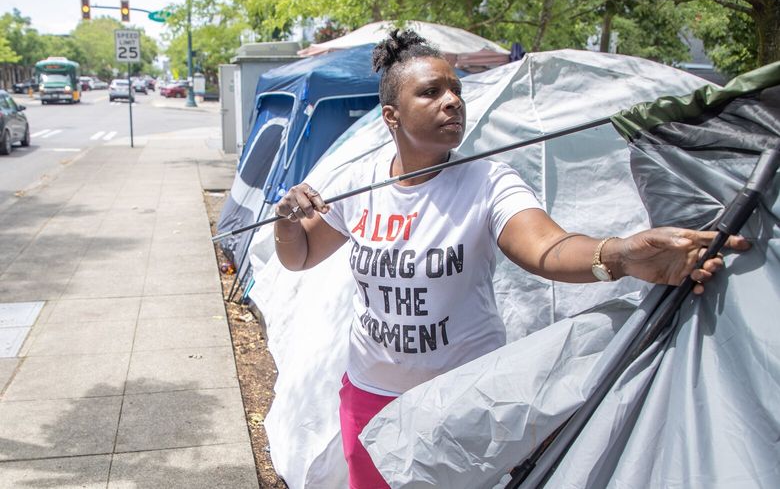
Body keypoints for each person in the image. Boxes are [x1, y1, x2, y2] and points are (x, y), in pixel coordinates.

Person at [272, 30, 750, 489]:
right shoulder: (362, 181)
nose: (453, 100)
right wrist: (287, 222)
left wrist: (621, 254)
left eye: (456, 90)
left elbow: (548, 248)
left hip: (459, 402)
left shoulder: (488, 182)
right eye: (431, 92)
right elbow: (301, 256)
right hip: (369, 394)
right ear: (392, 115)